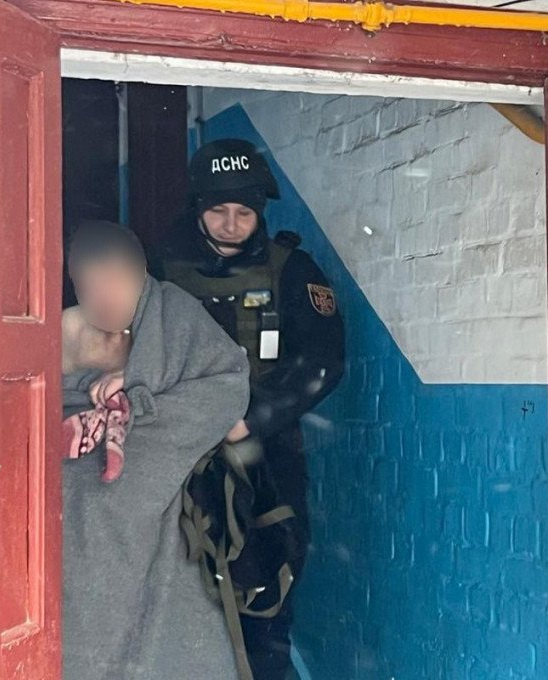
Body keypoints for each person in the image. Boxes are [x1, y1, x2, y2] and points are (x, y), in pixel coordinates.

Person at [153, 139, 345, 680]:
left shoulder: (293, 269)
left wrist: (250, 421)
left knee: (268, 577)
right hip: (173, 454)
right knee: (175, 581)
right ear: (197, 208)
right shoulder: (157, 267)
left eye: (244, 212)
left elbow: (322, 363)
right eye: (218, 210)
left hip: (266, 456)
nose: (231, 223)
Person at [61, 220, 250, 680]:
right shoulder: (66, 331)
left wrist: (139, 398)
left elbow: (226, 389)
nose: (104, 299)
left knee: (169, 622)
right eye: (90, 287)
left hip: (154, 502)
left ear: (142, 273)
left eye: (115, 283)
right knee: (79, 607)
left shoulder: (172, 315)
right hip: (77, 513)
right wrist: (89, 405)